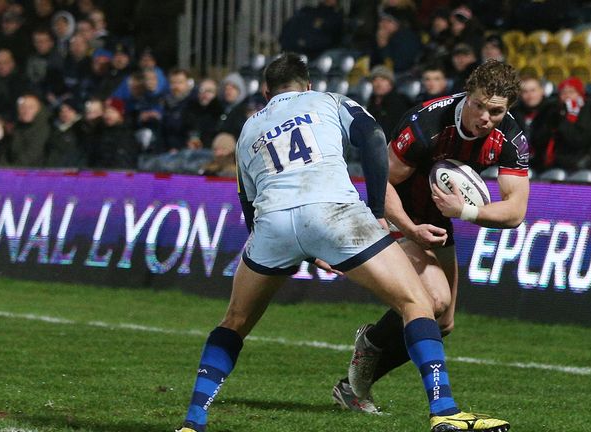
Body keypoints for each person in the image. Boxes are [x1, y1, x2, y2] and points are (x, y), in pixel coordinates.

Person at [175, 53, 510, 432]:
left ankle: (193, 421)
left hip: (273, 224)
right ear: (308, 86)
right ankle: (445, 412)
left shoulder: (248, 130)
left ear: (266, 92)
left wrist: (297, 249)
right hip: (334, 212)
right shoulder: (330, 101)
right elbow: (372, 137)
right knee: (416, 301)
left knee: (233, 321)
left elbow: (248, 205)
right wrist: (376, 209)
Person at [332, 59, 528, 419]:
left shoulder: (510, 139)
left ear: (507, 109)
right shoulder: (426, 124)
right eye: (479, 105)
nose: (485, 117)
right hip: (396, 215)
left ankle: (355, 375)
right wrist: (409, 228)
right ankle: (382, 359)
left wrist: (465, 212)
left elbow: (515, 211)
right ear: (468, 96)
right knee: (433, 299)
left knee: (444, 322)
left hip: (439, 221)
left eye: (496, 111)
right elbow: (382, 180)